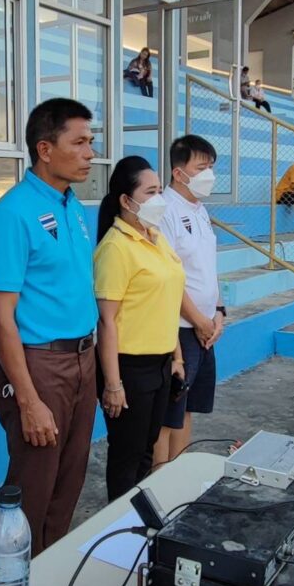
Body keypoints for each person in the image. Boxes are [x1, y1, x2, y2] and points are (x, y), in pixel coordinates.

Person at [0, 98, 99, 556]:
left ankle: (49, 576)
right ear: (45, 149)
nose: (90, 153)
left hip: (82, 358)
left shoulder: (73, 207)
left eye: (91, 141)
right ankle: (16, 585)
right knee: (34, 487)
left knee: (69, 482)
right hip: (40, 364)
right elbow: (0, 316)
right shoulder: (12, 214)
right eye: (80, 142)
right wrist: (28, 400)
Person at [95, 156, 186, 501]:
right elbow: (107, 321)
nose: (159, 199)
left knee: (146, 450)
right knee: (126, 455)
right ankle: (119, 523)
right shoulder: (116, 247)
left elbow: (166, 301)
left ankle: (137, 520)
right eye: (150, 192)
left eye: (160, 190)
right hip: (129, 367)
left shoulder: (155, 237)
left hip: (160, 363)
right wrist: (113, 384)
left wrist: (176, 357)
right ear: (126, 200)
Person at [155, 135, 224, 466]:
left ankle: (178, 474)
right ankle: (158, 480)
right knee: (168, 415)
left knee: (188, 409)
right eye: (201, 168)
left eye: (211, 167)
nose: (208, 174)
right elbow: (168, 276)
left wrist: (218, 313)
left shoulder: (200, 209)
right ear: (178, 172)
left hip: (206, 327)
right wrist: (198, 320)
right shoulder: (164, 210)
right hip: (181, 329)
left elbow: (207, 267)